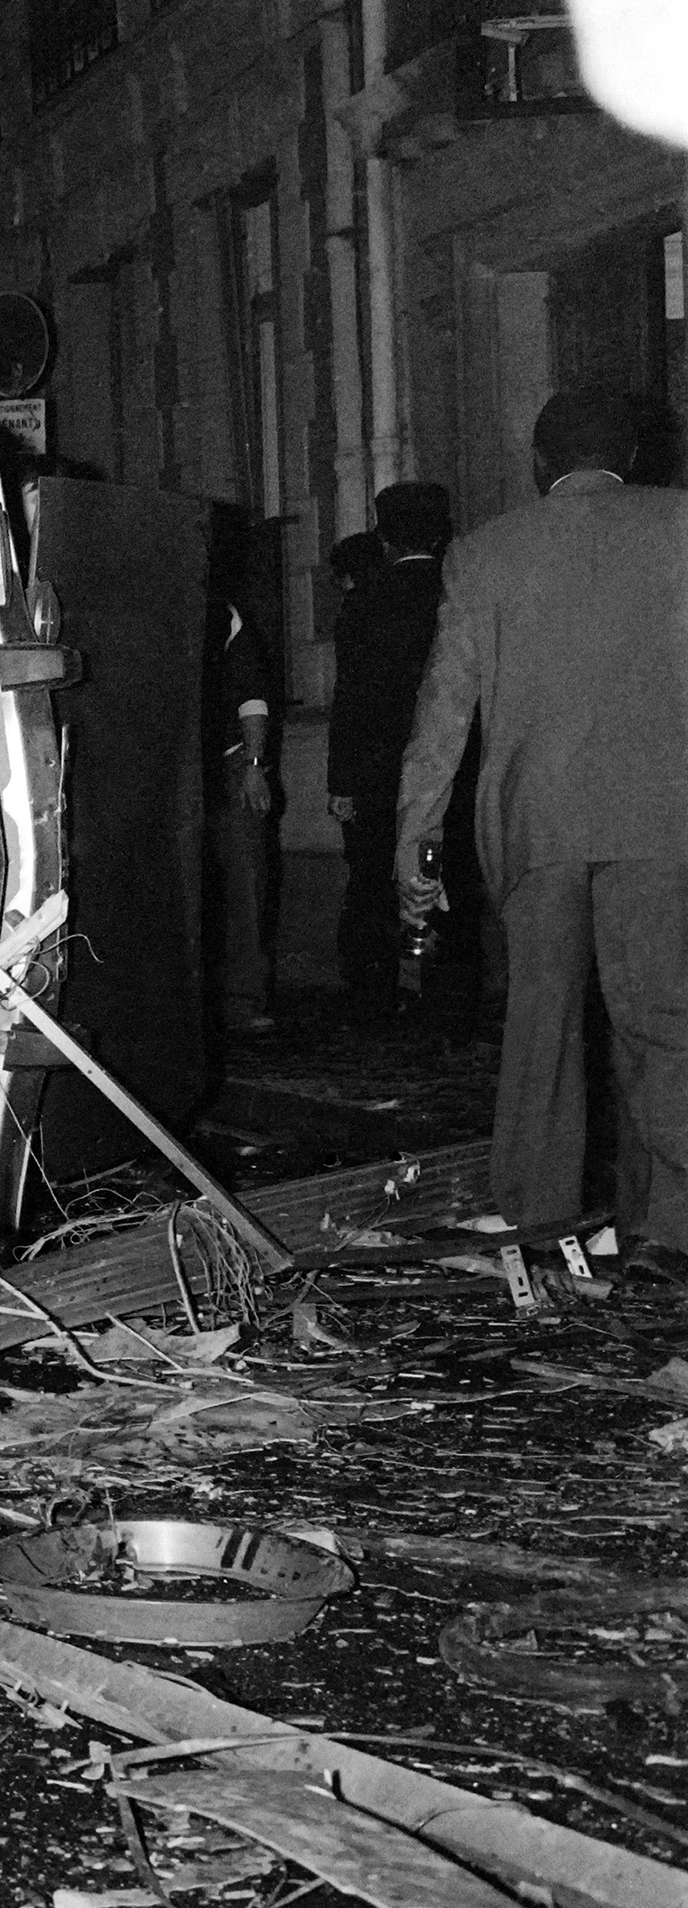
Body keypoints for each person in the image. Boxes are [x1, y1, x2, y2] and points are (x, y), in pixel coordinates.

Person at [395, 387, 688, 1280]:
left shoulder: (485, 554)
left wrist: (416, 839)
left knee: (542, 1024)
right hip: (663, 821)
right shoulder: (683, 528)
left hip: (537, 827)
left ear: (537, 464)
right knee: (664, 1024)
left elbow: (443, 715)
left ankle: (539, 1222)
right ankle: (671, 1231)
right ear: (632, 459)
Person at [326, 486, 451, 1008]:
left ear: (384, 538)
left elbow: (349, 696)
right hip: (449, 760)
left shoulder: (366, 600)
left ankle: (370, 996)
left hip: (378, 766)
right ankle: (449, 1001)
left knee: (371, 881)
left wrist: (342, 781)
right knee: (448, 876)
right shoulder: (455, 591)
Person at [207, 572, 280, 1035]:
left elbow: (252, 698)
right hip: (180, 770)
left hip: (231, 765)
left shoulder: (227, 620)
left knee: (243, 883)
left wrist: (254, 764)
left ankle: (243, 999)